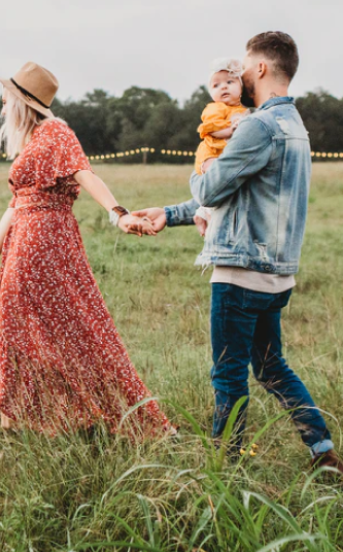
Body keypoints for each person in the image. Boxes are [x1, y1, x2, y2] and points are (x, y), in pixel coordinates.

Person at [134, 32, 342, 473]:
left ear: (262, 69)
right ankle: (322, 452)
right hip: (277, 275)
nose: (240, 75)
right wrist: (168, 214)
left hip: (240, 272)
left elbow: (211, 187)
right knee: (270, 368)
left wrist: (202, 166)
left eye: (245, 67)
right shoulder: (296, 128)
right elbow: (237, 196)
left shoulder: (257, 125)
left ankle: (225, 469)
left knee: (228, 374)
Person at [0, 61, 172, 438]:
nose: (0, 104)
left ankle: (98, 416)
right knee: (20, 328)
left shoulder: (55, 132)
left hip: (45, 242)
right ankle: (26, 420)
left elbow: (85, 173)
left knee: (73, 327)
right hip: (24, 242)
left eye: (5, 97)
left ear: (22, 101)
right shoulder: (31, 141)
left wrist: (118, 213)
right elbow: (15, 207)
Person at [192, 58, 249, 232]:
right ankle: (208, 214)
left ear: (241, 87)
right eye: (216, 85)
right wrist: (230, 131)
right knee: (216, 178)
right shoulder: (215, 108)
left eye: (229, 82)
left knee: (228, 185)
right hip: (211, 153)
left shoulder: (243, 110)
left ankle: (201, 213)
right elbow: (211, 129)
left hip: (226, 154)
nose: (223, 87)